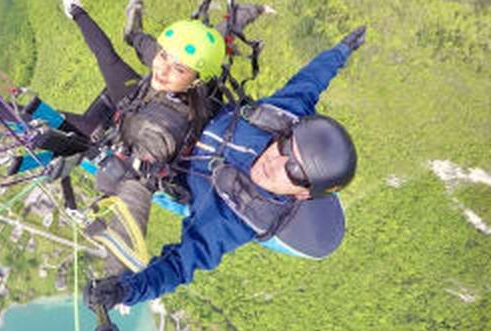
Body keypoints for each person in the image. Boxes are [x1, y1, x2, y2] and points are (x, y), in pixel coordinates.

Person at [0, 0, 227, 273]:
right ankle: (76, 9)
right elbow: (156, 55)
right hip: (137, 102)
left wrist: (118, 272)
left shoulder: (161, 133)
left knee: (54, 125)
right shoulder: (183, 78)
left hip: (125, 135)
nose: (162, 68)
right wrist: (140, 39)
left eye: (178, 68)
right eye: (164, 56)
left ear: (196, 80)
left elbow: (136, 194)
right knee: (107, 57)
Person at [83, 24, 367, 309]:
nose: (275, 162)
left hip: (156, 158)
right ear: (287, 133)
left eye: (293, 170)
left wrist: (124, 292)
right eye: (284, 147)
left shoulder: (236, 216)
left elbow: (180, 265)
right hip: (190, 111)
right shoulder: (281, 117)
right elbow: (312, 80)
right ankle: (134, 35)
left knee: (93, 153)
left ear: (303, 194)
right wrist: (341, 51)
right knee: (163, 63)